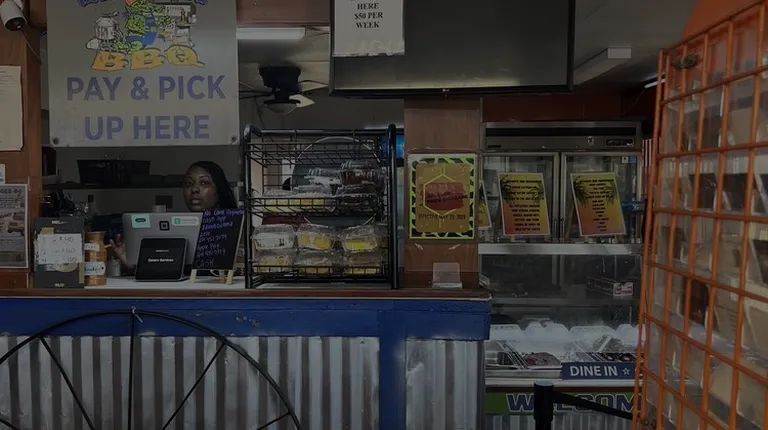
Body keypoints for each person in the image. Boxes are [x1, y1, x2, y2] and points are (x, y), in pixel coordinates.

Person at [110, 161, 237, 268]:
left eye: (204, 183)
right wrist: (134, 265)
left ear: (219, 189)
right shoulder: (174, 231)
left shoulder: (234, 229)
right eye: (188, 183)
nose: (194, 189)